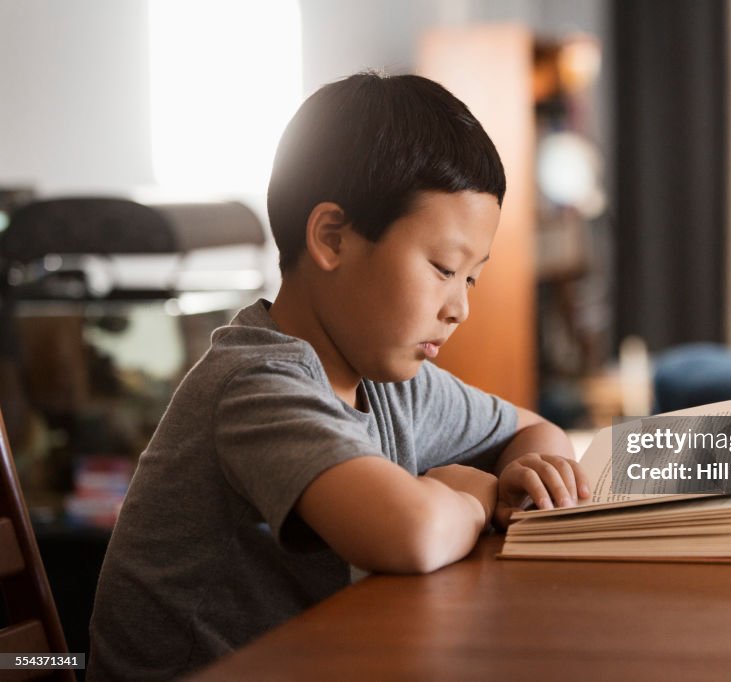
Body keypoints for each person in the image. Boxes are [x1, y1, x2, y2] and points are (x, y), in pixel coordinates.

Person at [87, 72, 590, 680]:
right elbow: (410, 535)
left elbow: (537, 429)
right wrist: (476, 494)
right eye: (442, 267)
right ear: (332, 238)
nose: (460, 307)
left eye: (472, 277)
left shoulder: (392, 381)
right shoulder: (258, 385)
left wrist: (524, 470)